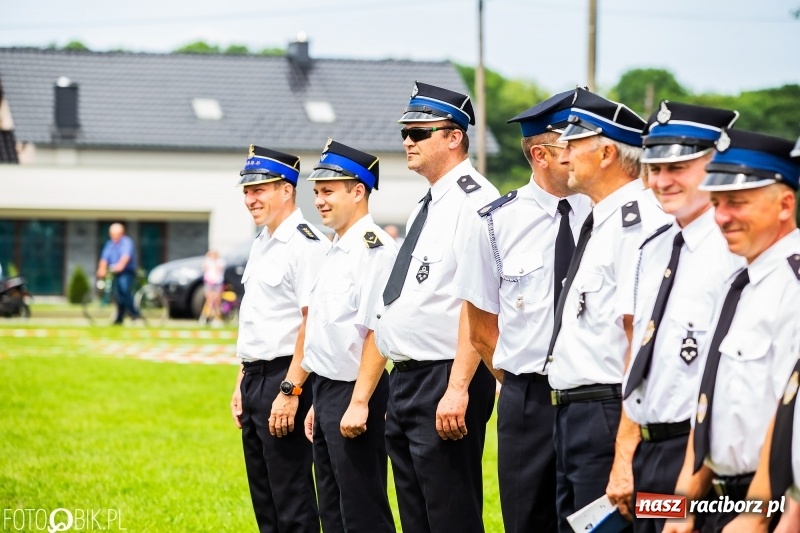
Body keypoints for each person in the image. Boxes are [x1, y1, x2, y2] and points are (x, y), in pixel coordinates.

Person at [453, 90, 591, 533]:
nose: (585, 155)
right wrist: (522, 382)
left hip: (594, 397)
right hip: (528, 398)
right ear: (540, 154)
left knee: (594, 519)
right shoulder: (495, 221)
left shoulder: (604, 213)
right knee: (526, 518)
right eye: (572, 146)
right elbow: (480, 327)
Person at [545, 88, 673, 532]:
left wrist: (624, 448)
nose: (564, 153)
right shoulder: (602, 218)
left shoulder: (640, 223)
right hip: (574, 413)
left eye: (574, 143)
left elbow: (639, 341)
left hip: (605, 413)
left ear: (606, 153)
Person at [375, 81, 499, 533]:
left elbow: (479, 303)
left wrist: (459, 386)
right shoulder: (426, 205)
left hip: (446, 376)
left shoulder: (475, 202)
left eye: (420, 132)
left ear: (454, 137)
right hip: (408, 378)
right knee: (417, 516)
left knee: (450, 514)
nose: (408, 141)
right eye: (405, 133)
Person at [663, 130, 800, 533]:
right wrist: (682, 503)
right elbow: (711, 405)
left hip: (768, 503)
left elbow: (788, 410)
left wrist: (758, 514)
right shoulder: (741, 280)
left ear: (785, 205)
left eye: (737, 203)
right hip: (718, 499)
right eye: (718, 203)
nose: (722, 216)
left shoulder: (792, 286)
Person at [621, 101, 743, 533]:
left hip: (696, 458)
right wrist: (626, 452)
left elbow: (729, 384)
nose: (662, 180)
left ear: (715, 163)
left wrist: (688, 495)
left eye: (679, 167)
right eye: (654, 168)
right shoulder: (654, 246)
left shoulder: (735, 253)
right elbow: (639, 352)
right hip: (650, 452)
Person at [229, 145, 329, 533]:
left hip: (286, 379)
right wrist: (241, 380)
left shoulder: (305, 244)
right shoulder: (262, 242)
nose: (250, 199)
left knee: (292, 499)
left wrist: (290, 391)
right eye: (247, 191)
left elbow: (311, 323)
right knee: (265, 499)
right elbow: (258, 321)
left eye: (260, 190)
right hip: (255, 378)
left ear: (286, 190)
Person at [301, 139, 398, 533]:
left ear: (358, 191)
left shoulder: (374, 250)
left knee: (362, 510)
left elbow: (377, 331)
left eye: (328, 191)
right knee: (333, 509)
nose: (320, 201)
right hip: (328, 391)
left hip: (357, 391)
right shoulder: (336, 247)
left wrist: (358, 402)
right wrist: (317, 403)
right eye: (316, 193)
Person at [97, 222, 142, 325]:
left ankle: (134, 313)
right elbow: (104, 258)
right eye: (112, 234)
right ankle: (119, 318)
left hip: (127, 272)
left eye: (116, 234)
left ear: (121, 233)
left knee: (124, 291)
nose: (114, 237)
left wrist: (120, 266)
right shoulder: (110, 244)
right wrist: (101, 269)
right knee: (117, 295)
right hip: (116, 272)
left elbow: (125, 257)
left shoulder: (126, 242)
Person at [200, 249, 225, 325]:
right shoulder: (207, 261)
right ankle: (207, 317)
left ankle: (217, 318)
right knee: (209, 301)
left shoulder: (220, 262)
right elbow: (204, 268)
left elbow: (219, 270)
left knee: (217, 301)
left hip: (217, 283)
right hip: (209, 283)